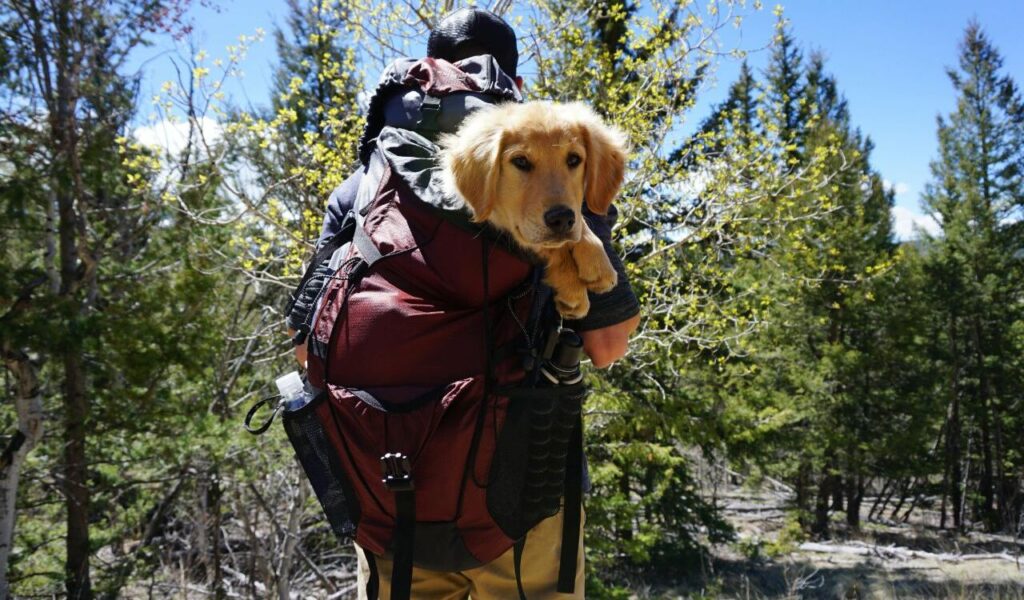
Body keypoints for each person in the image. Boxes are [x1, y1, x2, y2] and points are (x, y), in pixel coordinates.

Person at [285, 8, 639, 598]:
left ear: (429, 74)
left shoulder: (364, 187)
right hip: (525, 492)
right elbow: (608, 346)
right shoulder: (558, 168)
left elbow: (306, 342)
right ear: (516, 87)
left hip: (391, 490)